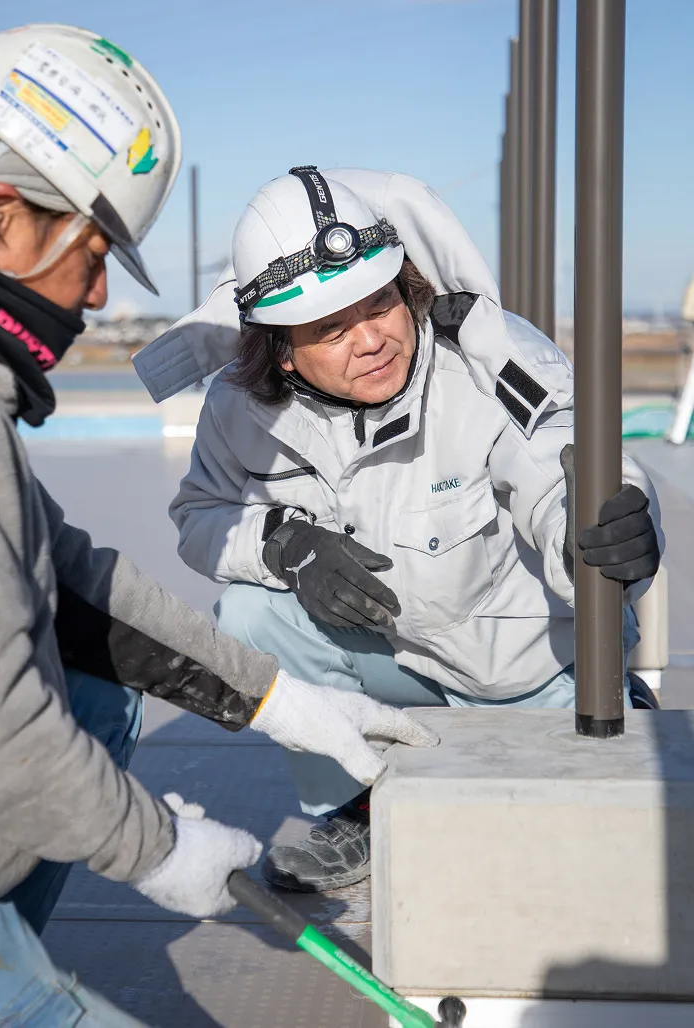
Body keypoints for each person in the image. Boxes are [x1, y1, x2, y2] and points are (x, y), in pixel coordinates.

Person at [0, 36, 432, 1025]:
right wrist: (154, 844)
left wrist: (279, 699)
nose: (101, 293)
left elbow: (68, 584)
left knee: (95, 699)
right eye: (95, 252)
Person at [156, 166, 665, 894]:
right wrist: (284, 545)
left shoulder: (486, 361)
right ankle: (358, 806)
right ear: (280, 349)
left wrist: (599, 530)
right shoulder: (239, 409)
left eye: (380, 304)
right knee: (247, 612)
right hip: (404, 659)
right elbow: (200, 517)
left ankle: (613, 692)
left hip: (529, 663)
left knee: (566, 874)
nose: (372, 339)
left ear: (407, 290)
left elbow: (559, 459)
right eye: (331, 327)